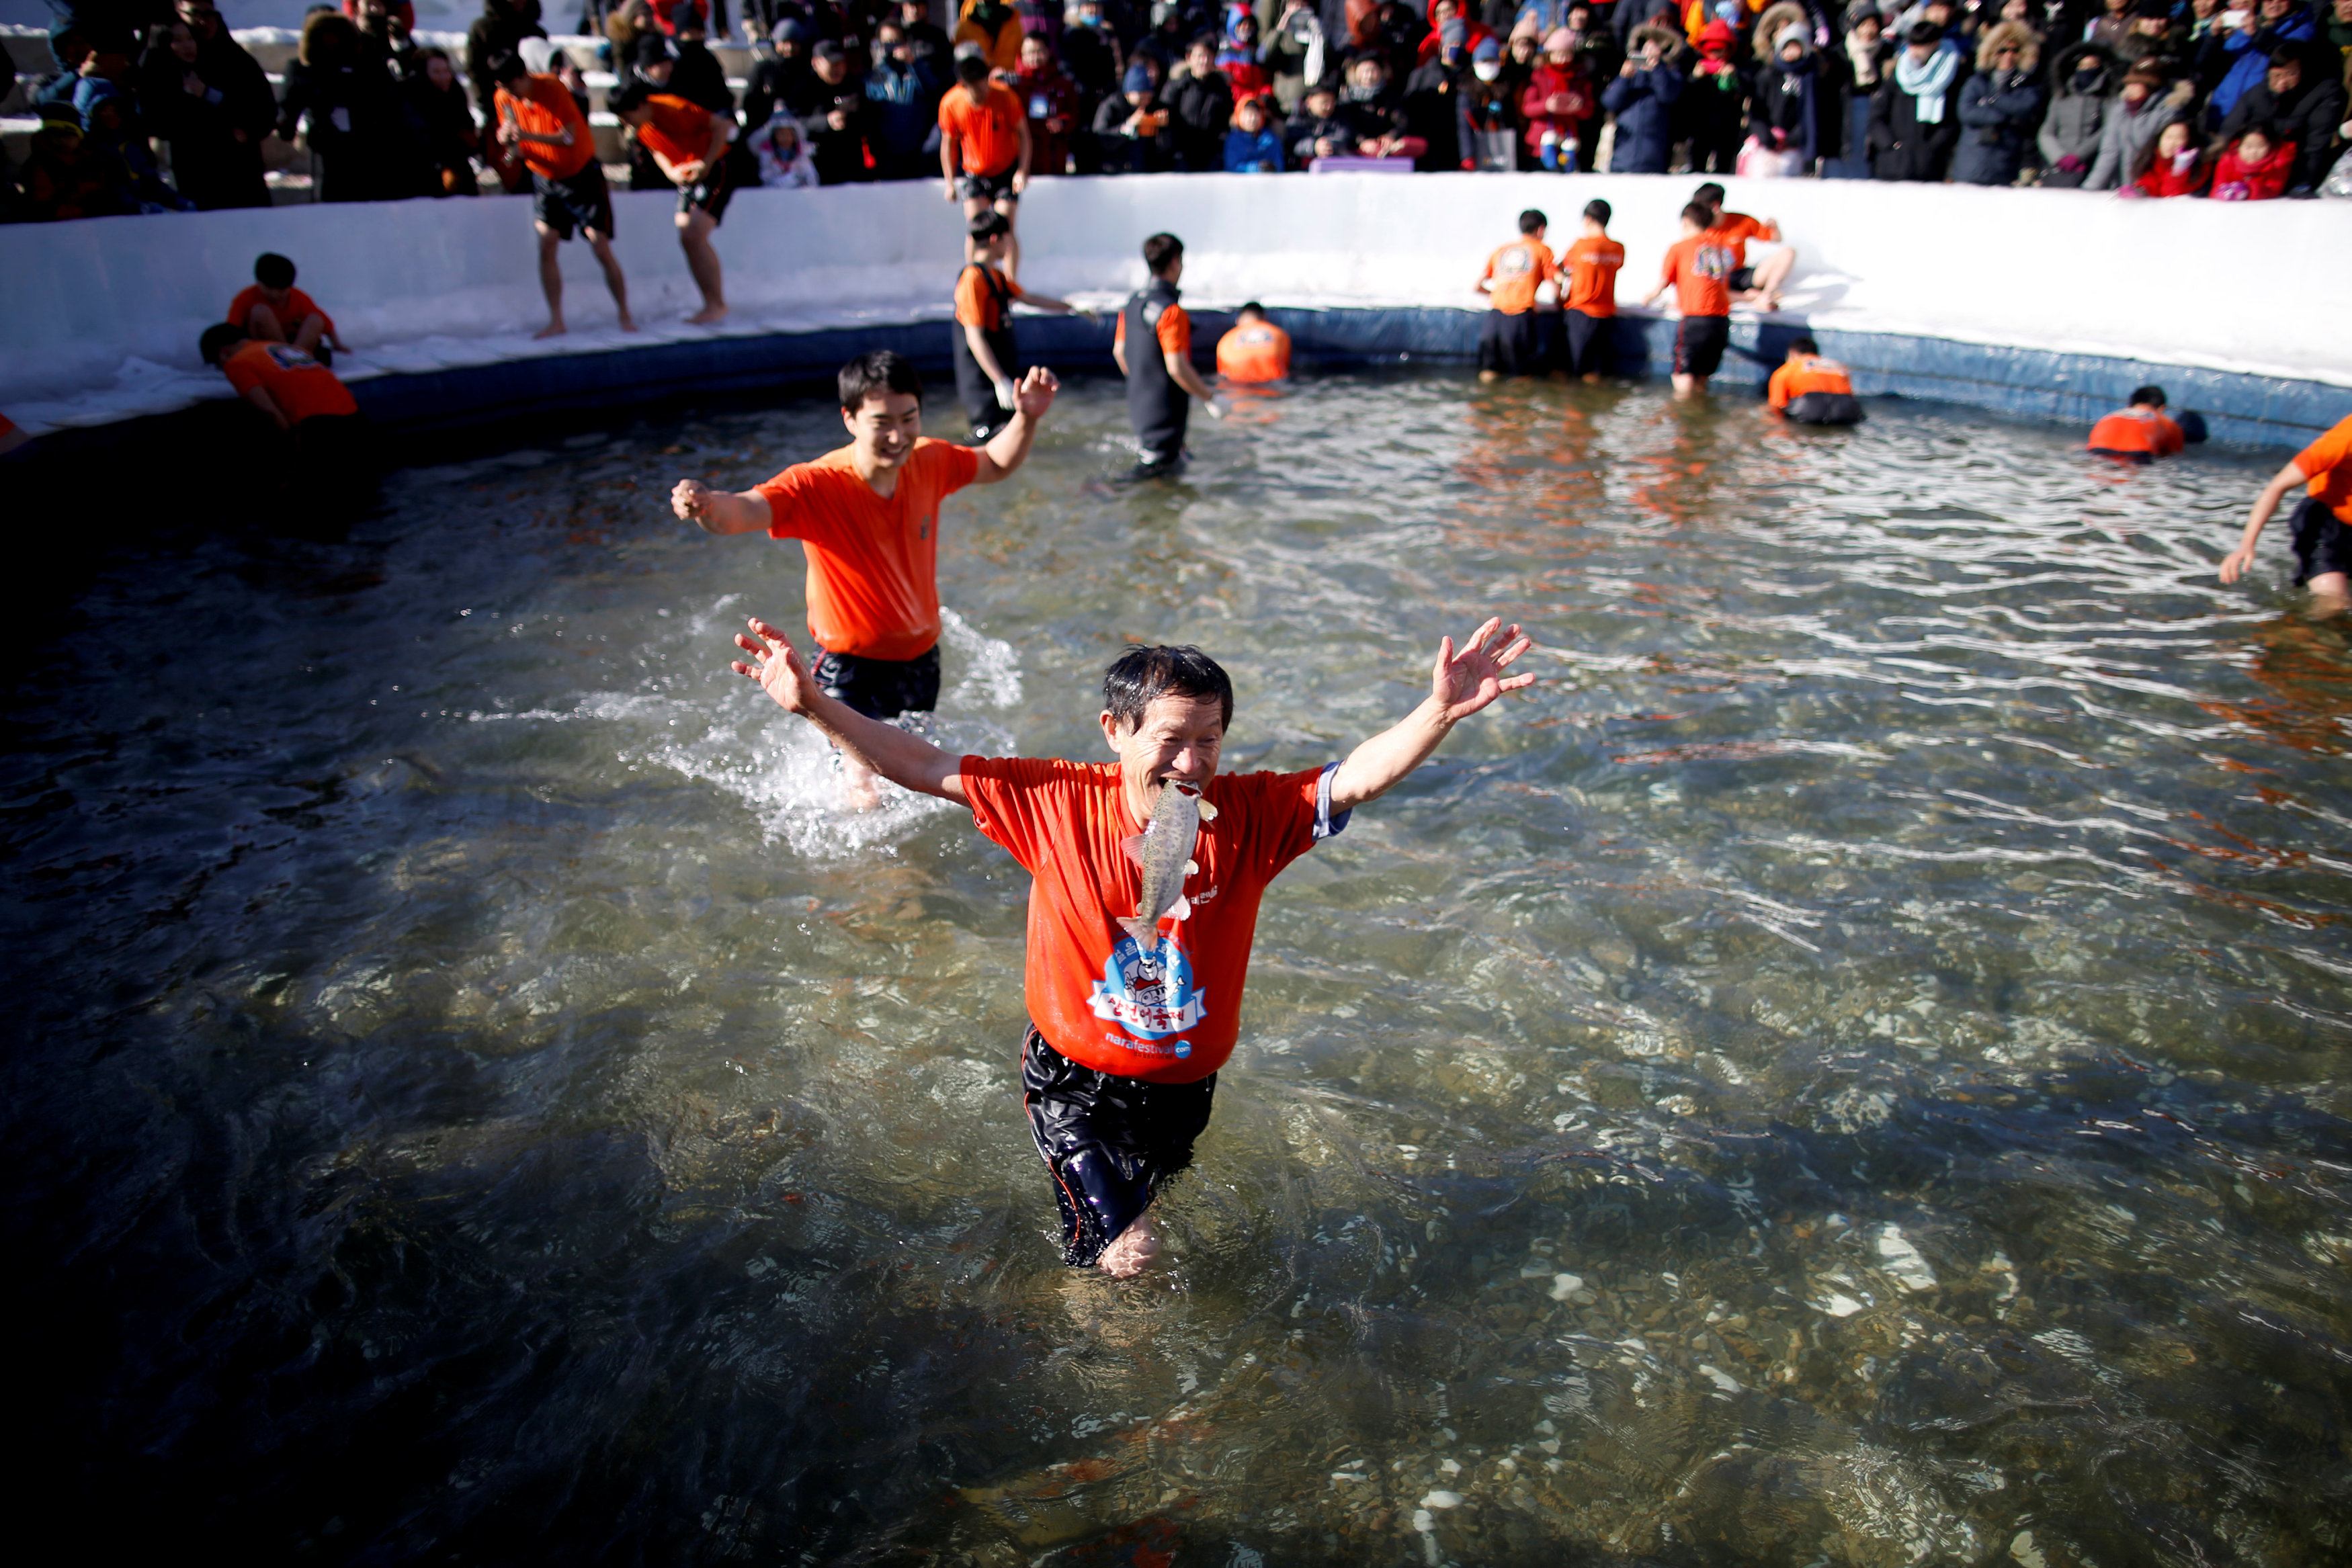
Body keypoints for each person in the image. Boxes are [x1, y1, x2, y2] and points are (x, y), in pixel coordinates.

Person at [723, 611, 1533, 1276]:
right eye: (1171, 740)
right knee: (1132, 1254)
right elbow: (921, 762)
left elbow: (1354, 776)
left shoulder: (1247, 816)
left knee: (1128, 1229)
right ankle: (1118, 1391)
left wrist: (1437, 713)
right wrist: (813, 707)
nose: (1191, 763)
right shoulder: (1051, 802)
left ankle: (1077, 1306)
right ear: (1114, 731)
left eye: (1209, 740)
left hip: (1186, 1087)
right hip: (1075, 1081)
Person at [669, 352, 1064, 807]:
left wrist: (1027, 417)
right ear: (850, 419)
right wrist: (705, 506)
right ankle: (877, 877)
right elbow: (739, 512)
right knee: (865, 789)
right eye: (882, 422)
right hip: (848, 668)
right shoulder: (816, 484)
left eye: (909, 418)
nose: (898, 436)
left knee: (916, 778)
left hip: (919, 661)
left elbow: (995, 461)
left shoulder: (929, 460)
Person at [490, 52, 636, 339]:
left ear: (523, 77)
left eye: (512, 87)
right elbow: (513, 141)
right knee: (547, 245)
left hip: (580, 173)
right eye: (504, 89)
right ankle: (556, 319)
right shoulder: (504, 99)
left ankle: (624, 313)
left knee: (600, 245)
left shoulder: (552, 88)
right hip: (545, 175)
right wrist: (506, 141)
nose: (510, 94)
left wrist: (525, 137)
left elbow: (567, 136)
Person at [610, 48, 743, 326]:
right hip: (689, 173)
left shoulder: (673, 108)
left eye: (625, 116)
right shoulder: (641, 126)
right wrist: (673, 171)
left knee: (694, 233)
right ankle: (711, 301)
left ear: (638, 107)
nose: (625, 124)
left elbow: (722, 126)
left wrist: (706, 164)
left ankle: (717, 303)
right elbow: (657, 149)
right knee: (687, 236)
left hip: (715, 166)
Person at [198, 322, 374, 509]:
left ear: (223, 352)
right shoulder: (285, 348)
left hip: (320, 427)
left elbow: (269, 411)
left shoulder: (237, 363)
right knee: (363, 495)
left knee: (303, 502)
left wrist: (289, 443)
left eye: (218, 365)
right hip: (356, 420)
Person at [953, 212, 1088, 442]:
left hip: (1001, 369)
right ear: (996, 239)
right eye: (1009, 238)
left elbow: (1029, 298)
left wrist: (1072, 307)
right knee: (985, 436)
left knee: (1008, 433)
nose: (1011, 245)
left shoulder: (996, 276)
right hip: (983, 380)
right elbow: (974, 337)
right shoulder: (972, 279)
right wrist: (999, 381)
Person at [1114, 232, 1224, 476]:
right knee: (1158, 474)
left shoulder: (1132, 304)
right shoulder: (1172, 312)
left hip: (1141, 407)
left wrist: (1143, 384)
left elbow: (1120, 352)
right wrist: (1210, 398)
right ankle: (1101, 490)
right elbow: (1177, 367)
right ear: (1175, 262)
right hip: (1165, 410)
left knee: (1155, 464)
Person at [2221, 411, 2352, 603]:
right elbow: (2277, 486)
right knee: (2333, 605)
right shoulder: (2345, 438)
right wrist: (2246, 545)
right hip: (2325, 524)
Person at [939, 45, 1032, 277]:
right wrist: (949, 182)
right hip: (974, 173)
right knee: (976, 229)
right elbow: (948, 144)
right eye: (975, 90)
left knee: (1006, 227)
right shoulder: (951, 104)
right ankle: (976, 279)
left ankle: (1011, 284)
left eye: (983, 87)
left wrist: (1022, 171)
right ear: (964, 86)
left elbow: (1024, 135)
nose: (981, 94)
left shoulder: (1005, 96)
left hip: (1005, 170)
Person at [2216, 46, 2347, 193]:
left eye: (2291, 74)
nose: (2282, 81)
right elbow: (2229, 131)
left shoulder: (2324, 92)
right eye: (2276, 75)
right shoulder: (2257, 94)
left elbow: (2318, 142)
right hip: (2259, 169)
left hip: (2298, 167)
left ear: (2304, 72)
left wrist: (2304, 183)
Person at [1641, 201, 1734, 400]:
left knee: (1682, 380)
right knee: (1702, 381)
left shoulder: (1679, 247)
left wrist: (1648, 297)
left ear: (1686, 222)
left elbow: (1663, 283)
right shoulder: (1721, 247)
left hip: (1696, 319)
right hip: (1721, 322)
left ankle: (1683, 426)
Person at [1868, 18, 1961, 181]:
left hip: (1929, 165)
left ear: (1934, 44)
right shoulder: (1899, 74)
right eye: (1912, 45)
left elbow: (1953, 119)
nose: (1914, 51)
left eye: (1920, 45)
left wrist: (1932, 147)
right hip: (1892, 164)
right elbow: (1877, 115)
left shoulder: (1950, 75)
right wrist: (1889, 144)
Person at [1476, 208, 1560, 384]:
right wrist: (1561, 305)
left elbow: (1477, 286)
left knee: (1489, 372)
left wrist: (1497, 293)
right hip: (1520, 316)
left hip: (1494, 318)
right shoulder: (1543, 250)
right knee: (1522, 377)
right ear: (1541, 230)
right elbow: (1555, 283)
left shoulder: (1501, 250)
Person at [1953, 19, 2042, 185]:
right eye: (2002, 50)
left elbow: (2025, 108)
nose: (2008, 55)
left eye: (2014, 50)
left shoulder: (2028, 85)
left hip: (2005, 162)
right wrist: (2006, 117)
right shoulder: (1977, 81)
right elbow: (1967, 112)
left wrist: (1992, 100)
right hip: (1971, 160)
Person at [228, 254, 348, 364]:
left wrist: (337, 345)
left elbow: (326, 323)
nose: (274, 294)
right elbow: (230, 330)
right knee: (260, 311)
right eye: (269, 288)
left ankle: (292, 360)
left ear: (290, 286)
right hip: (264, 347)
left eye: (281, 290)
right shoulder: (246, 298)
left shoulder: (300, 298)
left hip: (297, 347)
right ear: (259, 282)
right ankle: (284, 358)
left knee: (315, 319)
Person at [1600, 19, 1682, 171]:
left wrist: (1656, 68)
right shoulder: (1629, 73)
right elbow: (1609, 102)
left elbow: (1667, 95)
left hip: (1654, 156)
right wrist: (1624, 78)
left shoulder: (1671, 73)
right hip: (1622, 156)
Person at [1558, 197, 1622, 382]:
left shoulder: (1579, 245)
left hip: (1580, 312)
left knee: (1571, 372)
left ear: (1587, 219)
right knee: (1595, 373)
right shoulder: (1618, 248)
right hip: (1606, 315)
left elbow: (1561, 268)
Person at [2086, 58, 2174, 190]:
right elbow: (2109, 151)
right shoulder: (2119, 110)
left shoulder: (2168, 111)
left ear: (2152, 86)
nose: (2129, 88)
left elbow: (2154, 152)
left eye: (2136, 83)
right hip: (2120, 186)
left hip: (2151, 188)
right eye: (2129, 83)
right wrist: (2090, 188)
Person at [2040, 40, 2115, 186]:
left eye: (2092, 66)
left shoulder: (2106, 98)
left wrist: (2079, 155)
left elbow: (2107, 130)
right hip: (2057, 166)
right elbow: (2046, 132)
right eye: (2082, 66)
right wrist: (2058, 157)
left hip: (2090, 164)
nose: (2087, 70)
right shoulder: (2061, 97)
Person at [1011, 28, 1082, 176]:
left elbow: (1074, 115)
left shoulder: (1064, 84)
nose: (1034, 58)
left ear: (1049, 52)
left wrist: (1062, 123)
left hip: (1054, 156)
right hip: (1022, 159)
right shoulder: (1013, 85)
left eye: (1039, 51)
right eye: (1029, 53)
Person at [1167, 32, 1237, 168]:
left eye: (1208, 57)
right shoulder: (1177, 85)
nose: (1204, 61)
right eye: (1200, 56)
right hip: (1181, 154)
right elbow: (1166, 116)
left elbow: (1227, 119)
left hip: (1212, 154)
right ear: (1189, 58)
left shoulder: (1222, 88)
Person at [1096, 60, 1177, 170]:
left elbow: (1164, 148)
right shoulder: (1111, 106)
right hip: (1114, 170)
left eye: (1148, 96)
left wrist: (1163, 128)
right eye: (1141, 95)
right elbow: (1101, 139)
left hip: (1146, 170)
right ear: (1128, 93)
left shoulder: (1154, 107)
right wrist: (1129, 126)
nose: (1146, 100)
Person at [1767, 336, 1863, 425]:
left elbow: (1777, 407)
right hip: (1847, 409)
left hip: (1809, 408)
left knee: (1769, 412)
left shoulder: (1787, 368)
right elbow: (1850, 395)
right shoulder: (1839, 366)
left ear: (1792, 353)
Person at [2085, 384, 2185, 461]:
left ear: (2130, 405)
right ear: (2162, 408)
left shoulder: (2110, 417)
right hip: (2138, 455)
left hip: (2097, 452)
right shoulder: (2166, 422)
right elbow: (2172, 456)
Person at [2209, 124, 2298, 197]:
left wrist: (2249, 190)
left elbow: (2274, 189)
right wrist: (2223, 192)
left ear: (2270, 146)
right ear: (2239, 146)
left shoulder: (2278, 163)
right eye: (2248, 147)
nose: (2254, 151)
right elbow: (2217, 185)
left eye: (2260, 146)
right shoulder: (2227, 161)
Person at [1216, 302, 1293, 384]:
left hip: (1238, 386)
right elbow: (1286, 365)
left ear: (1238, 321)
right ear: (1264, 318)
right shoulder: (1280, 334)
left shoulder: (1226, 339)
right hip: (1273, 385)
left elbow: (1222, 373)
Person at [1284, 75, 1355, 163]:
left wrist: (1328, 145)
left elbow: (1345, 137)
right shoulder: (1298, 117)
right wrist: (1314, 146)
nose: (1328, 107)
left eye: (1331, 102)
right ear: (1309, 101)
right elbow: (1292, 143)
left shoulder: (1340, 116)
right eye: (1324, 102)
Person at [2132, 114, 2209, 193]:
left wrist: (2179, 170)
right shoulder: (2150, 158)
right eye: (2168, 137)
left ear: (2190, 141)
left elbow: (2169, 193)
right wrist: (2140, 191)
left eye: (2179, 138)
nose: (2172, 143)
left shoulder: (2201, 166)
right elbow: (2149, 184)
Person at [1222, 90, 1287, 167]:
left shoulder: (1271, 140)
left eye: (1256, 115)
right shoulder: (1233, 140)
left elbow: (1279, 165)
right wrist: (1258, 168)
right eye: (1248, 115)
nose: (1252, 119)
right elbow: (1233, 166)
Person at [752, 112, 819, 183]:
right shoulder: (767, 154)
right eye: (781, 134)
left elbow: (811, 176)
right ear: (775, 136)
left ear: (794, 136)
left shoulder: (803, 152)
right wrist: (782, 181)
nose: (785, 137)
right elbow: (765, 176)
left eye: (788, 134)